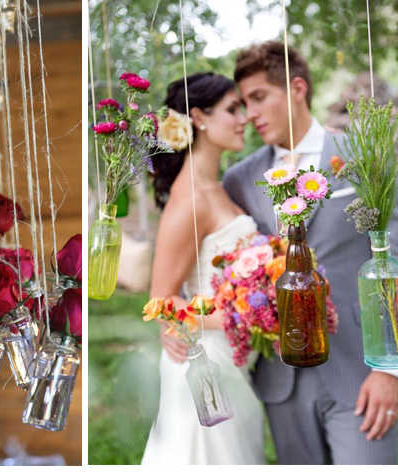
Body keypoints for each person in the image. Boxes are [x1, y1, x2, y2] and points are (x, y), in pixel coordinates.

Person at [222, 40, 398, 464]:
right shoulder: (240, 180)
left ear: (297, 88)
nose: (251, 114)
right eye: (244, 103)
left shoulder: (365, 155)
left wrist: (391, 368)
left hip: (361, 369)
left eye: (260, 97)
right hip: (283, 380)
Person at [141, 72, 265, 465]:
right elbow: (161, 300)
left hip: (233, 359)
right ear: (199, 117)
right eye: (233, 110)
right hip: (204, 364)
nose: (243, 118)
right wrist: (243, 315)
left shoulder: (218, 188)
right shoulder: (191, 198)